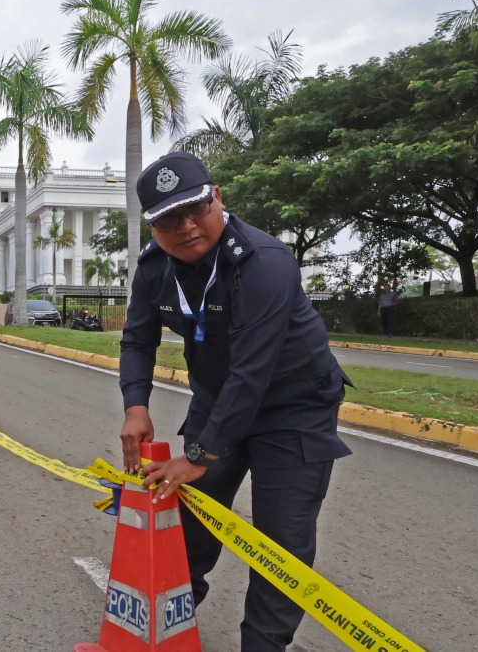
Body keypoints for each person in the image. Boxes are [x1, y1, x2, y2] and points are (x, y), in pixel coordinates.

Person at [119, 152, 352, 652]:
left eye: (194, 209)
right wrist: (135, 405)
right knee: (188, 527)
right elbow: (138, 340)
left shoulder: (264, 263)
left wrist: (200, 456)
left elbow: (252, 373)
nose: (184, 227)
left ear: (217, 197)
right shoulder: (153, 269)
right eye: (166, 220)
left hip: (294, 409)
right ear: (152, 227)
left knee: (279, 545)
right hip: (216, 399)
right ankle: (161, 635)